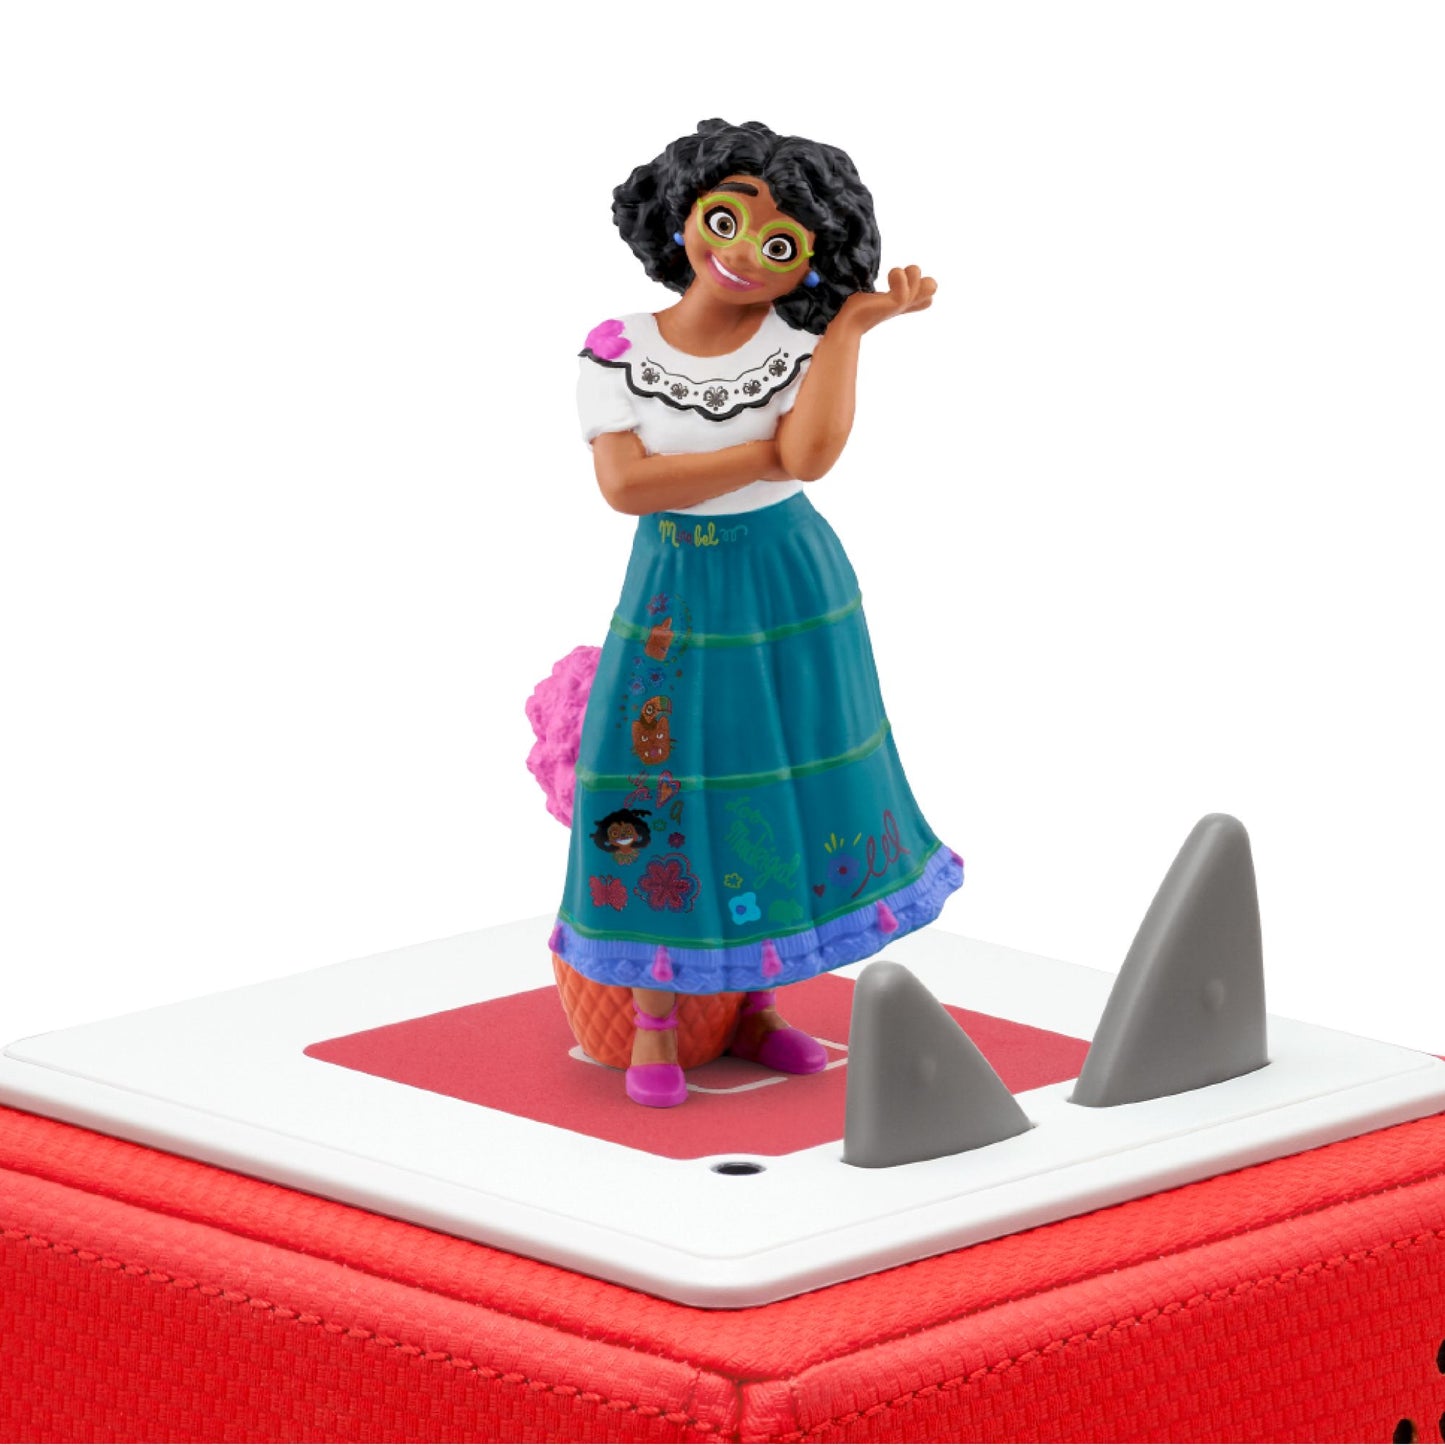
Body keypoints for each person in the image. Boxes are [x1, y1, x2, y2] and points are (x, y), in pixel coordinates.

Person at [546, 118, 964, 1108]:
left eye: (779, 244)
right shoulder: (617, 349)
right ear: (681, 212)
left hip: (789, 580)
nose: (741, 253)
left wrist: (849, 331)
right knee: (661, 785)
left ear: (810, 262)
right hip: (676, 589)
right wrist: (761, 452)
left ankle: (760, 1004)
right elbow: (626, 487)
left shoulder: (803, 343)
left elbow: (810, 458)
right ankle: (653, 1019)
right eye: (724, 220)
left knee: (779, 784)